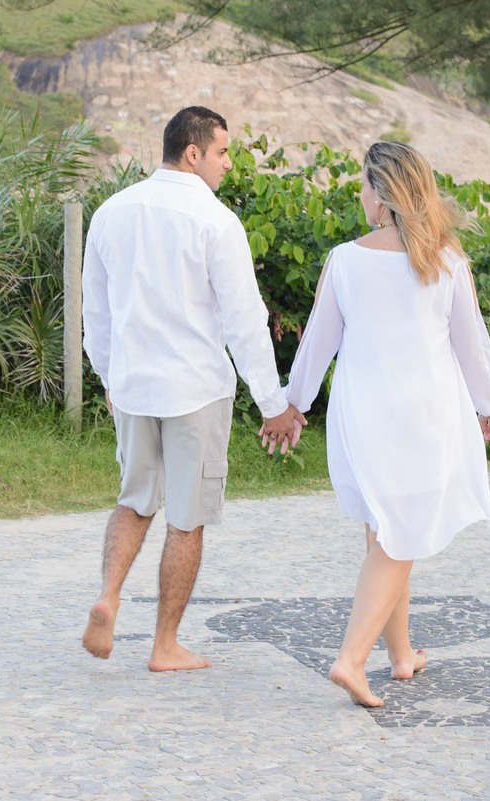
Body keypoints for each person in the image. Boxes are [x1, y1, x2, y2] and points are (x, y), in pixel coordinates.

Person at [282, 141, 490, 706]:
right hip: (424, 416)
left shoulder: (345, 259)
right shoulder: (446, 261)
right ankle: (351, 659)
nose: (360, 196)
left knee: (387, 533)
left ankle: (401, 654)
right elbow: (471, 347)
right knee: (398, 536)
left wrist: (295, 405)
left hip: (363, 414)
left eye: (364, 185)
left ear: (383, 195)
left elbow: (318, 344)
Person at [80, 106, 306, 672]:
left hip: (133, 388)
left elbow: (96, 317)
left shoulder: (111, 212)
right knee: (186, 517)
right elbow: (244, 322)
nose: (229, 164)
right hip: (196, 391)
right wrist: (274, 405)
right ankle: (165, 645)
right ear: (193, 153)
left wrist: (110, 379)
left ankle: (108, 596)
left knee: (134, 500)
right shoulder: (215, 221)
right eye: (224, 152)